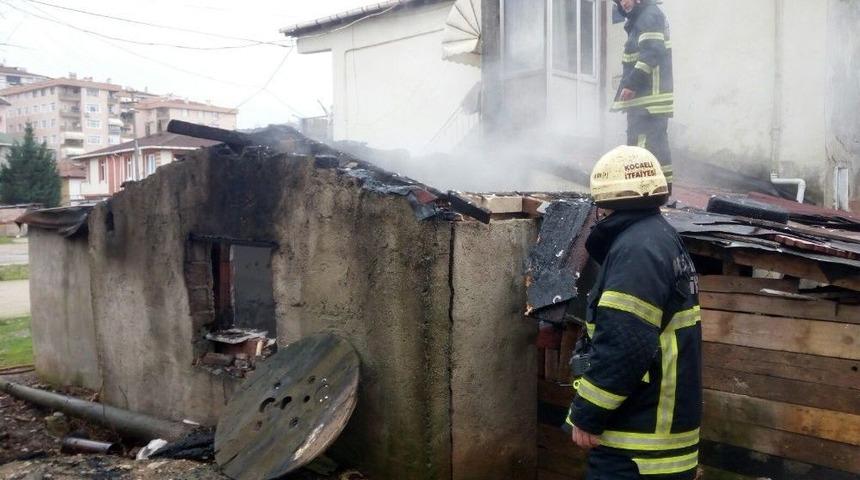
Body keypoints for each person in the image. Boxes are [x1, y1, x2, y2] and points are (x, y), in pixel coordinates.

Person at [565, 145, 702, 479]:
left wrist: (588, 413)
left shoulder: (636, 251)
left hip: (637, 448)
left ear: (606, 203)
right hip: (657, 443)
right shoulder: (659, 237)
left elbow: (624, 345)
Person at [612, 0, 674, 190]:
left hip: (649, 101)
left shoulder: (649, 15)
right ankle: (655, 189)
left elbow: (651, 52)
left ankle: (648, 190)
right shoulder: (640, 19)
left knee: (644, 147)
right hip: (644, 100)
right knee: (645, 145)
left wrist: (631, 84)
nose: (624, 3)